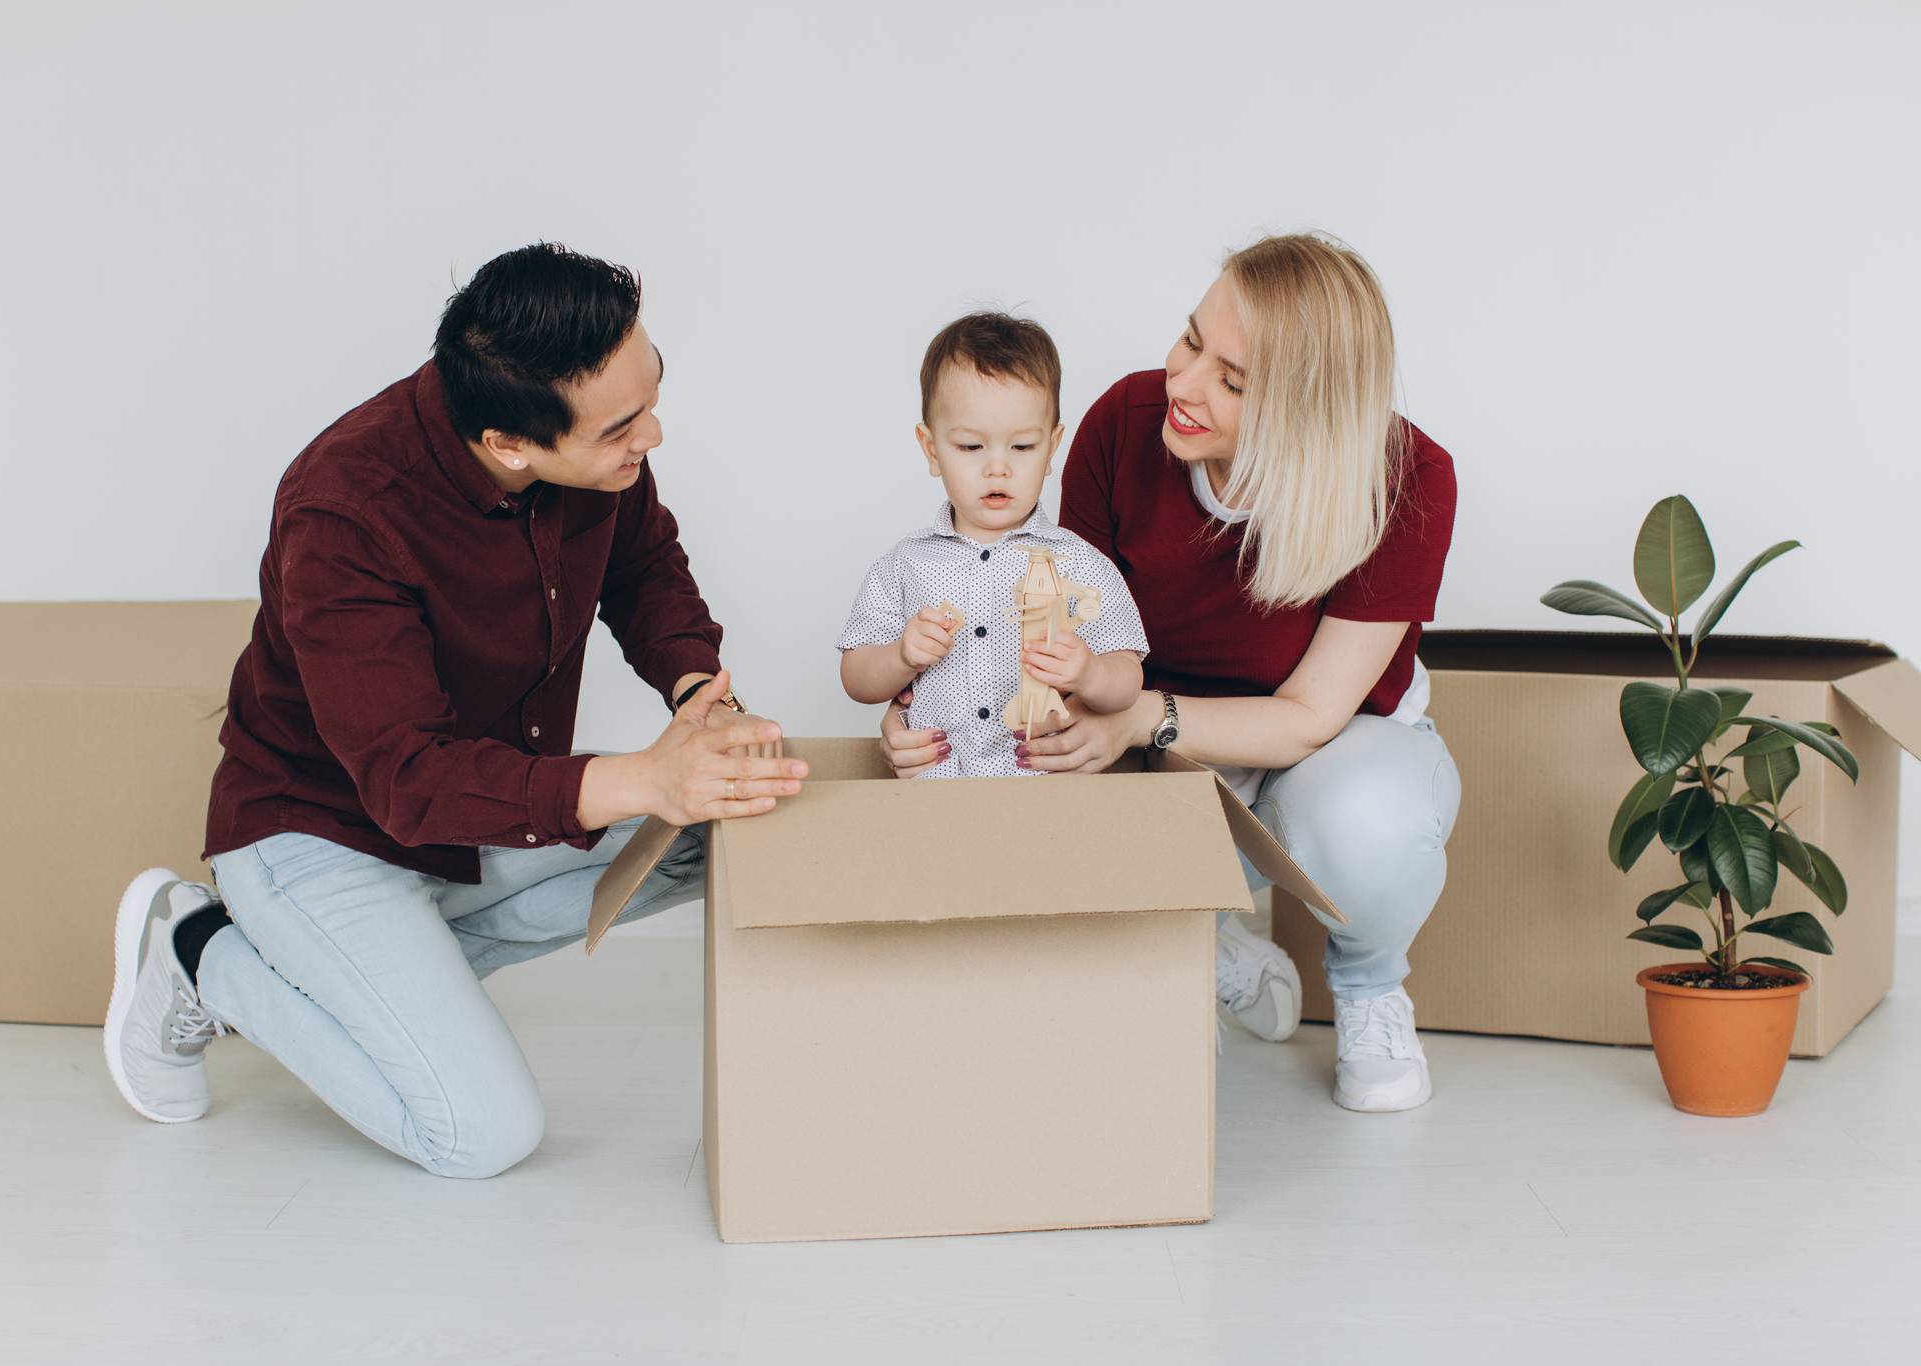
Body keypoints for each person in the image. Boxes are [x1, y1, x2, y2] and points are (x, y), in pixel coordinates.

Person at [101, 244, 807, 1177]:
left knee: (711, 830)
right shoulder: (345, 509)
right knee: (479, 1135)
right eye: (623, 427)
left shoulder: (592, 453)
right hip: (323, 832)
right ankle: (204, 952)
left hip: (475, 818)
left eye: (655, 395)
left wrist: (698, 696)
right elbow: (407, 779)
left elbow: (643, 570)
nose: (655, 437)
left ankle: (352, 976)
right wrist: (643, 776)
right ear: (511, 446)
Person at [880, 235, 1460, 1112]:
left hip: (1328, 747)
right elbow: (1041, 632)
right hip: (1155, 745)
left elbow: (1309, 712)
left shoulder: (1407, 480)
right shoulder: (1123, 424)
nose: (1183, 385)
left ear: (1307, 411)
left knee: (1367, 820)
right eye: (1191, 340)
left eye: (1233, 380)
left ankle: (1370, 984)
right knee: (1014, 784)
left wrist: (1139, 717)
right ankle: (1208, 943)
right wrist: (924, 712)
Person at [838, 312, 1147, 778]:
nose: (998, 468)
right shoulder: (905, 564)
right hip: (935, 789)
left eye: (1022, 447)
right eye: (970, 447)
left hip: (1042, 788)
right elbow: (856, 676)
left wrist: (1090, 674)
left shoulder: (1079, 562)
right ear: (931, 449)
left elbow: (1128, 674)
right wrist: (900, 655)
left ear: (1051, 447)